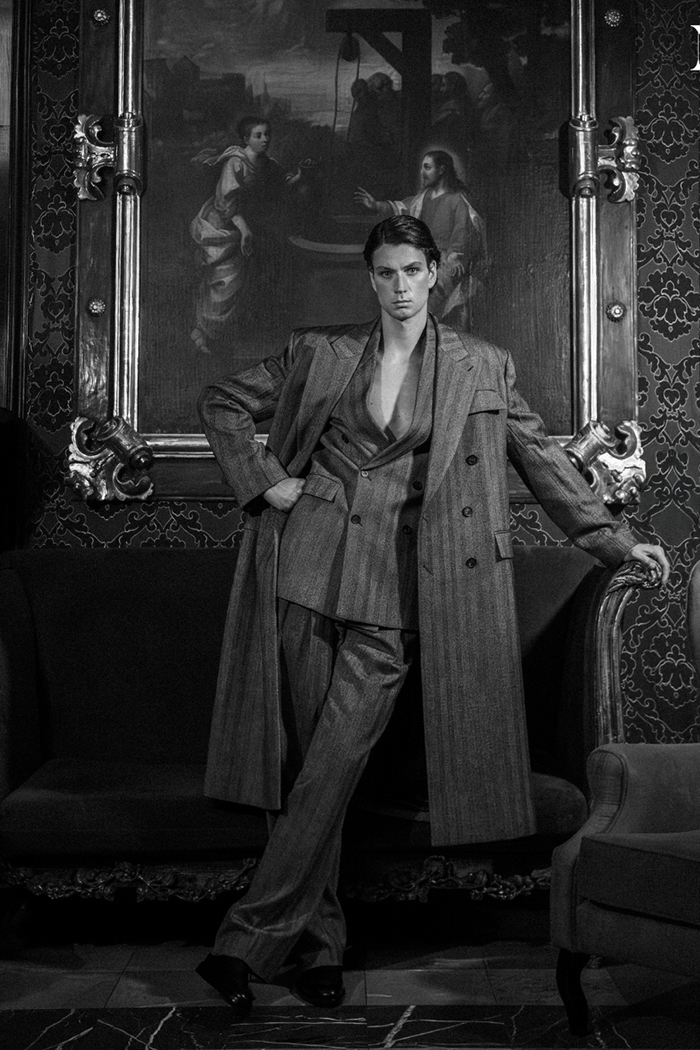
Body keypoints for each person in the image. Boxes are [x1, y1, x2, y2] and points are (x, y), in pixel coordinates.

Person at [195, 215, 670, 1016]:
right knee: (312, 771)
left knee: (332, 764)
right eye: (385, 272)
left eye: (412, 270)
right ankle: (319, 949)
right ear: (371, 278)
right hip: (305, 571)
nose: (400, 286)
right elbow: (223, 402)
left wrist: (615, 542)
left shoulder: (482, 364)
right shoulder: (321, 351)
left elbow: (542, 461)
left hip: (398, 590)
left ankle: (241, 943)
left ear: (435, 271)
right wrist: (269, 480)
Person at [190, 117, 305, 354]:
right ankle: (206, 330)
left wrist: (300, 177)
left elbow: (279, 185)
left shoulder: (267, 164)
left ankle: (229, 335)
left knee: (250, 276)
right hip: (224, 224)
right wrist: (244, 230)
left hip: (247, 225)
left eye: (267, 134)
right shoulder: (235, 163)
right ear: (246, 139)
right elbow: (225, 203)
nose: (265, 139)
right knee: (225, 278)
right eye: (258, 135)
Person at [355, 150, 487, 329]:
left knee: (425, 295)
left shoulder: (457, 200)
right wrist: (376, 205)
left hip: (445, 261)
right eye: (422, 168)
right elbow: (402, 209)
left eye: (427, 167)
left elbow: (462, 231)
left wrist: (455, 255)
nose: (422, 172)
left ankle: (421, 333)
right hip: (420, 256)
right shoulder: (422, 199)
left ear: (441, 170)